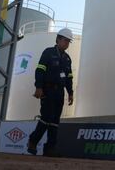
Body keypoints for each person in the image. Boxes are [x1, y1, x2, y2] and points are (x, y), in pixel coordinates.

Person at [27, 28, 74, 156]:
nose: (67, 43)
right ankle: (33, 141)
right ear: (58, 39)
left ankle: (49, 149)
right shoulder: (48, 52)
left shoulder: (68, 59)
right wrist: (38, 87)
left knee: (55, 121)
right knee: (46, 117)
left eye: (69, 41)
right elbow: (40, 70)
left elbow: (69, 77)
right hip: (47, 90)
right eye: (65, 40)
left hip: (60, 93)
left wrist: (70, 92)